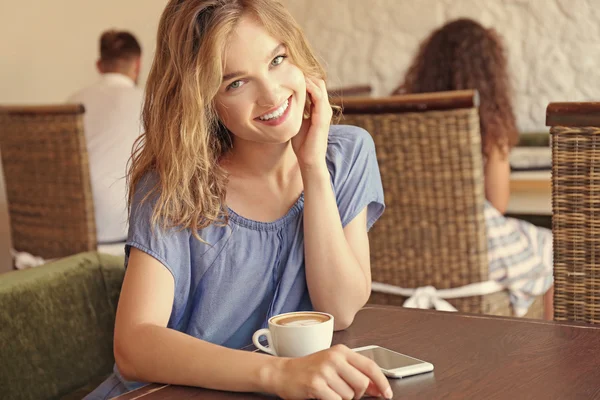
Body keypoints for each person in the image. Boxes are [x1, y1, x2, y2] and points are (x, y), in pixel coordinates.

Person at [85, 1, 392, 399]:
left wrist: (313, 166)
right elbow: (134, 346)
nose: (271, 94)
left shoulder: (343, 154)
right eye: (235, 83)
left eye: (278, 59)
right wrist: (278, 373)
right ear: (203, 101)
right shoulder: (173, 184)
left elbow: (340, 308)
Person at [400, 18, 553, 319]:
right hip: (473, 248)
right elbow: (498, 203)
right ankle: (550, 354)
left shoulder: (398, 115)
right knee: (555, 250)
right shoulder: (487, 121)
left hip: (408, 248)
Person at [68, 30, 144, 244]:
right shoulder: (148, 102)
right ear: (137, 65)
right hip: (123, 230)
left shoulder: (72, 103)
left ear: (99, 66)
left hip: (72, 229)